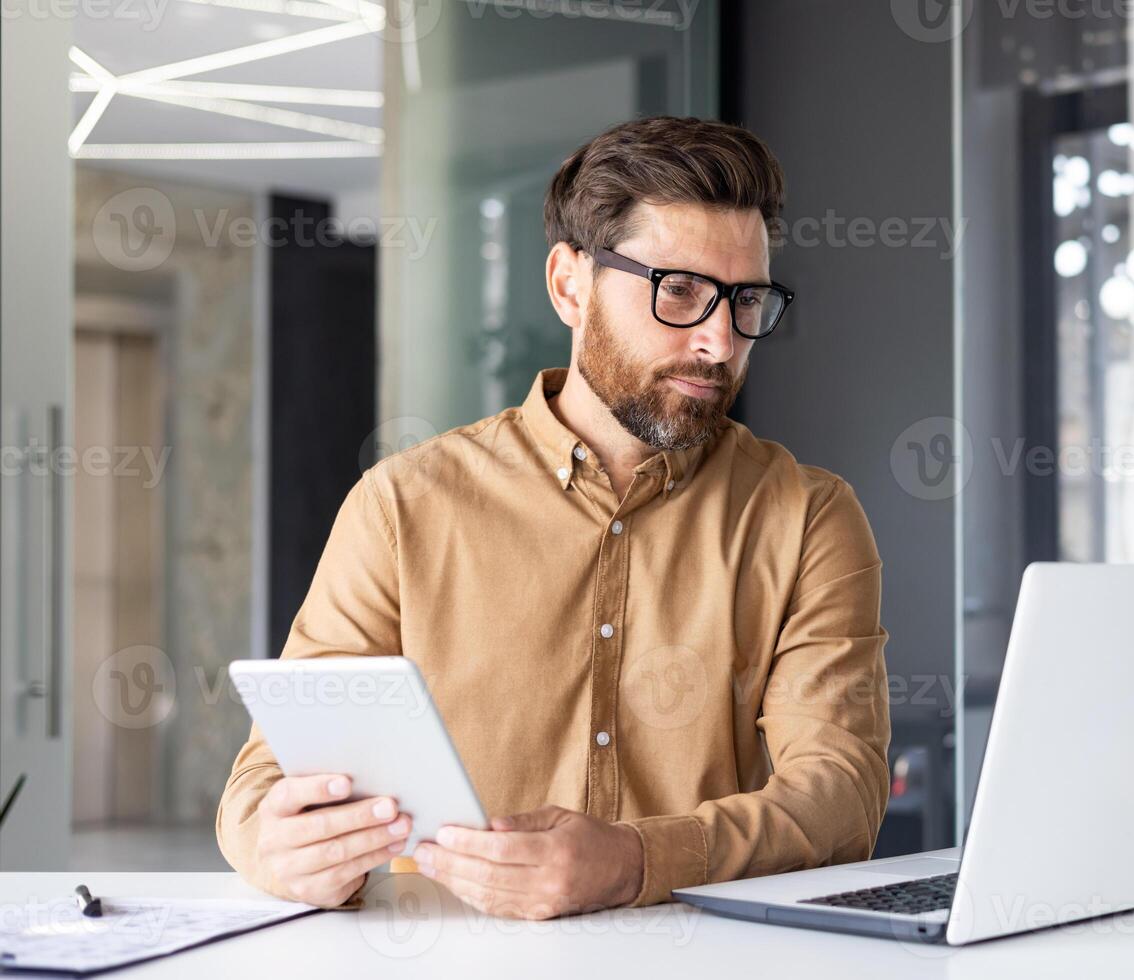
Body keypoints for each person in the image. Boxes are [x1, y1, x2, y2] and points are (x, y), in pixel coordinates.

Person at [217, 115, 891, 920]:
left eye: (746, 300)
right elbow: (263, 783)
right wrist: (279, 846)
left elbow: (840, 797)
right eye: (678, 290)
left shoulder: (807, 518)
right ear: (570, 285)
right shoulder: (401, 507)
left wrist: (636, 860)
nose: (719, 340)